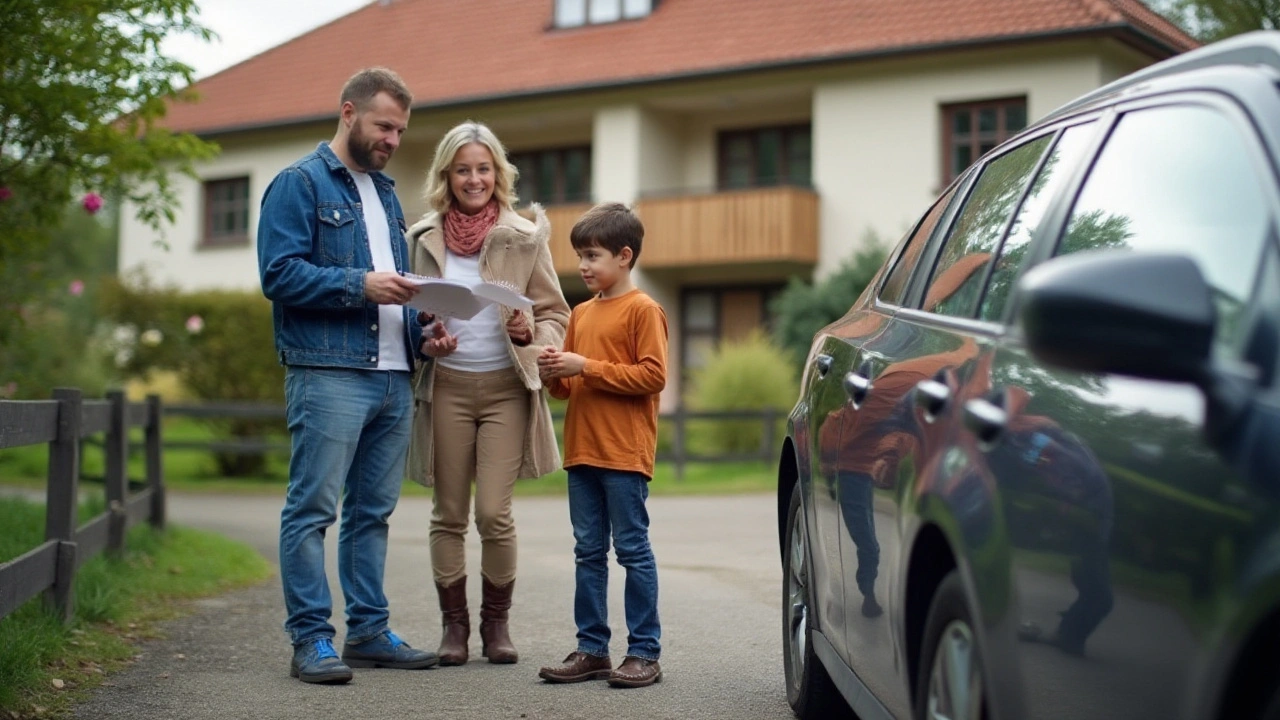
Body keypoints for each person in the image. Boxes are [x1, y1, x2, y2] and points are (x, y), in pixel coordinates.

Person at [257, 67, 438, 684]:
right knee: (312, 511)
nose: (392, 139)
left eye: (400, 130)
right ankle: (311, 639)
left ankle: (368, 632)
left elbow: (395, 292)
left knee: (372, 514)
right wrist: (358, 284)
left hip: (394, 376)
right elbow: (278, 275)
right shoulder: (297, 184)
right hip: (329, 372)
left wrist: (424, 335)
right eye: (384, 125)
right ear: (348, 113)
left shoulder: (387, 195)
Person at [405, 121, 570, 667]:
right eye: (462, 169)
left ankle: (496, 626)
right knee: (448, 513)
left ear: (497, 173)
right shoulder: (421, 236)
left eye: (483, 168)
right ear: (446, 175)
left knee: (493, 515)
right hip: (447, 387)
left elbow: (554, 313)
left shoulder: (525, 235)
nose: (473, 179)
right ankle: (455, 630)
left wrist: (532, 334)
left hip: (505, 390)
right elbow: (409, 315)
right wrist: (429, 334)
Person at [535, 202, 668, 689]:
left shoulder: (644, 310)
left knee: (632, 550)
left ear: (624, 256)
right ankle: (591, 649)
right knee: (588, 552)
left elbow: (653, 376)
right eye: (579, 256)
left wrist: (584, 366)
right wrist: (553, 373)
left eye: (592, 256)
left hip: (624, 455)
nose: (583, 266)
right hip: (582, 453)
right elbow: (568, 390)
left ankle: (644, 652)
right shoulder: (580, 313)